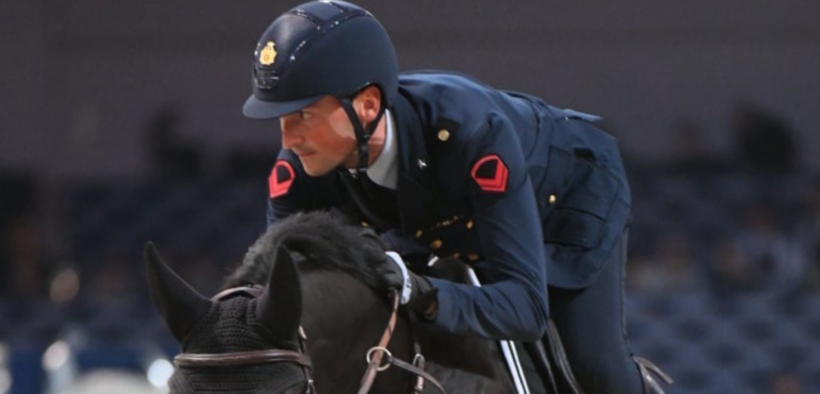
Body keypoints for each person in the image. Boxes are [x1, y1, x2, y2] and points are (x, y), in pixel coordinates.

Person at [242, 1, 670, 393]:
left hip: (563, 198)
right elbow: (277, 301)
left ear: (368, 106)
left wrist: (426, 294)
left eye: (303, 115)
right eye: (281, 118)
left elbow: (526, 308)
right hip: (445, 219)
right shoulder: (298, 170)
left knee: (597, 368)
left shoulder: (470, 136)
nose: (288, 139)